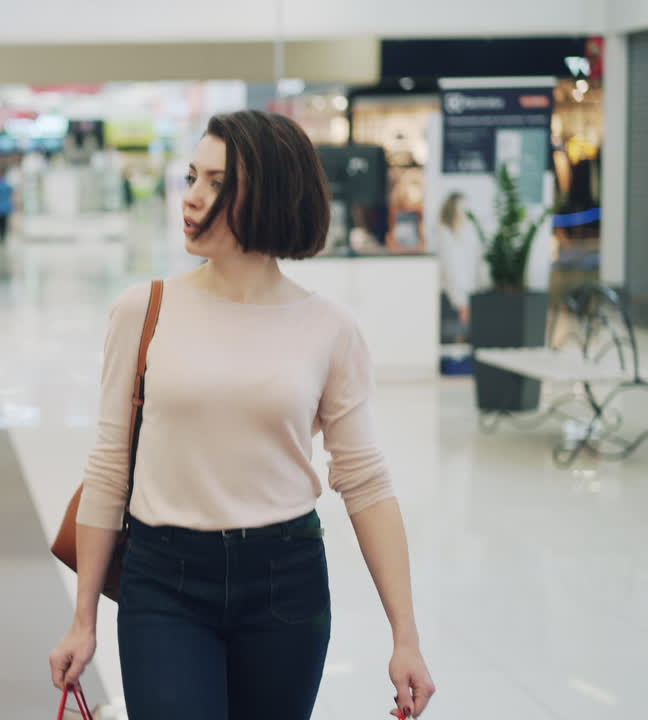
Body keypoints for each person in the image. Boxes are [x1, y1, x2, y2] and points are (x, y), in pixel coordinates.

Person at [49, 110, 436, 720]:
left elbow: (365, 482)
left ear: (271, 194)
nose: (191, 197)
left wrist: (405, 638)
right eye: (192, 178)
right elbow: (108, 468)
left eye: (216, 183)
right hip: (163, 579)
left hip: (285, 579)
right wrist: (83, 619)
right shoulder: (143, 311)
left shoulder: (329, 329)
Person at [435, 191, 483, 342]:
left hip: (466, 296)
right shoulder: (444, 236)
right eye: (461, 211)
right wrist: (461, 302)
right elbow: (450, 271)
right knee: (454, 341)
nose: (464, 216)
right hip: (452, 299)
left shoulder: (467, 233)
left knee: (464, 339)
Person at [0, 169, 15, 247]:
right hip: (6, 207)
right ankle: (3, 238)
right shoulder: (8, 186)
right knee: (4, 224)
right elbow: (12, 196)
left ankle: (0, 238)